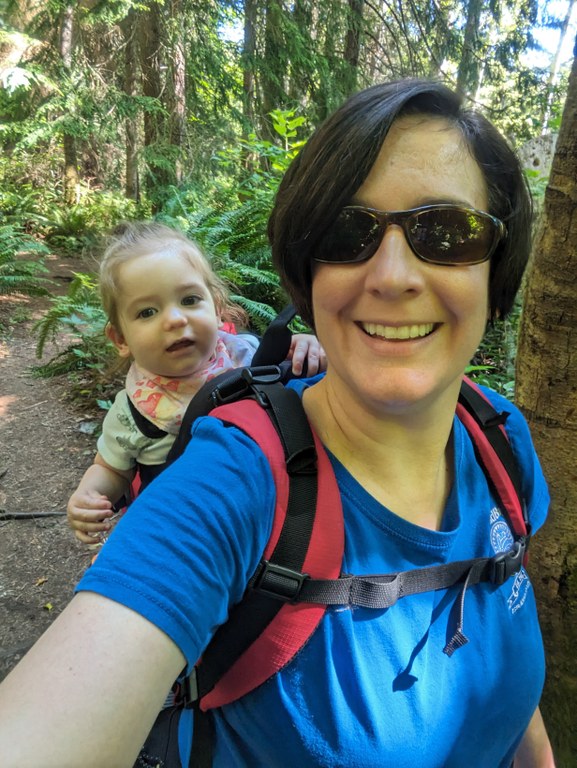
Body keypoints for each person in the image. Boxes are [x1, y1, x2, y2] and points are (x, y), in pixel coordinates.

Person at [0, 78, 555, 767]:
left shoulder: (499, 439)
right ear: (307, 269)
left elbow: (503, 649)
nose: (391, 275)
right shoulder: (235, 485)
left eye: (445, 232)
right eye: (345, 233)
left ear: (495, 268)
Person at [66, 221, 326, 544]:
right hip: (184, 534)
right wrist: (88, 495)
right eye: (147, 312)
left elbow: (305, 383)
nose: (175, 319)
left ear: (217, 310)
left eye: (189, 300)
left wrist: (308, 346)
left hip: (270, 520)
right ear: (120, 338)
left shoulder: (248, 356)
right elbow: (112, 470)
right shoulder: (133, 413)